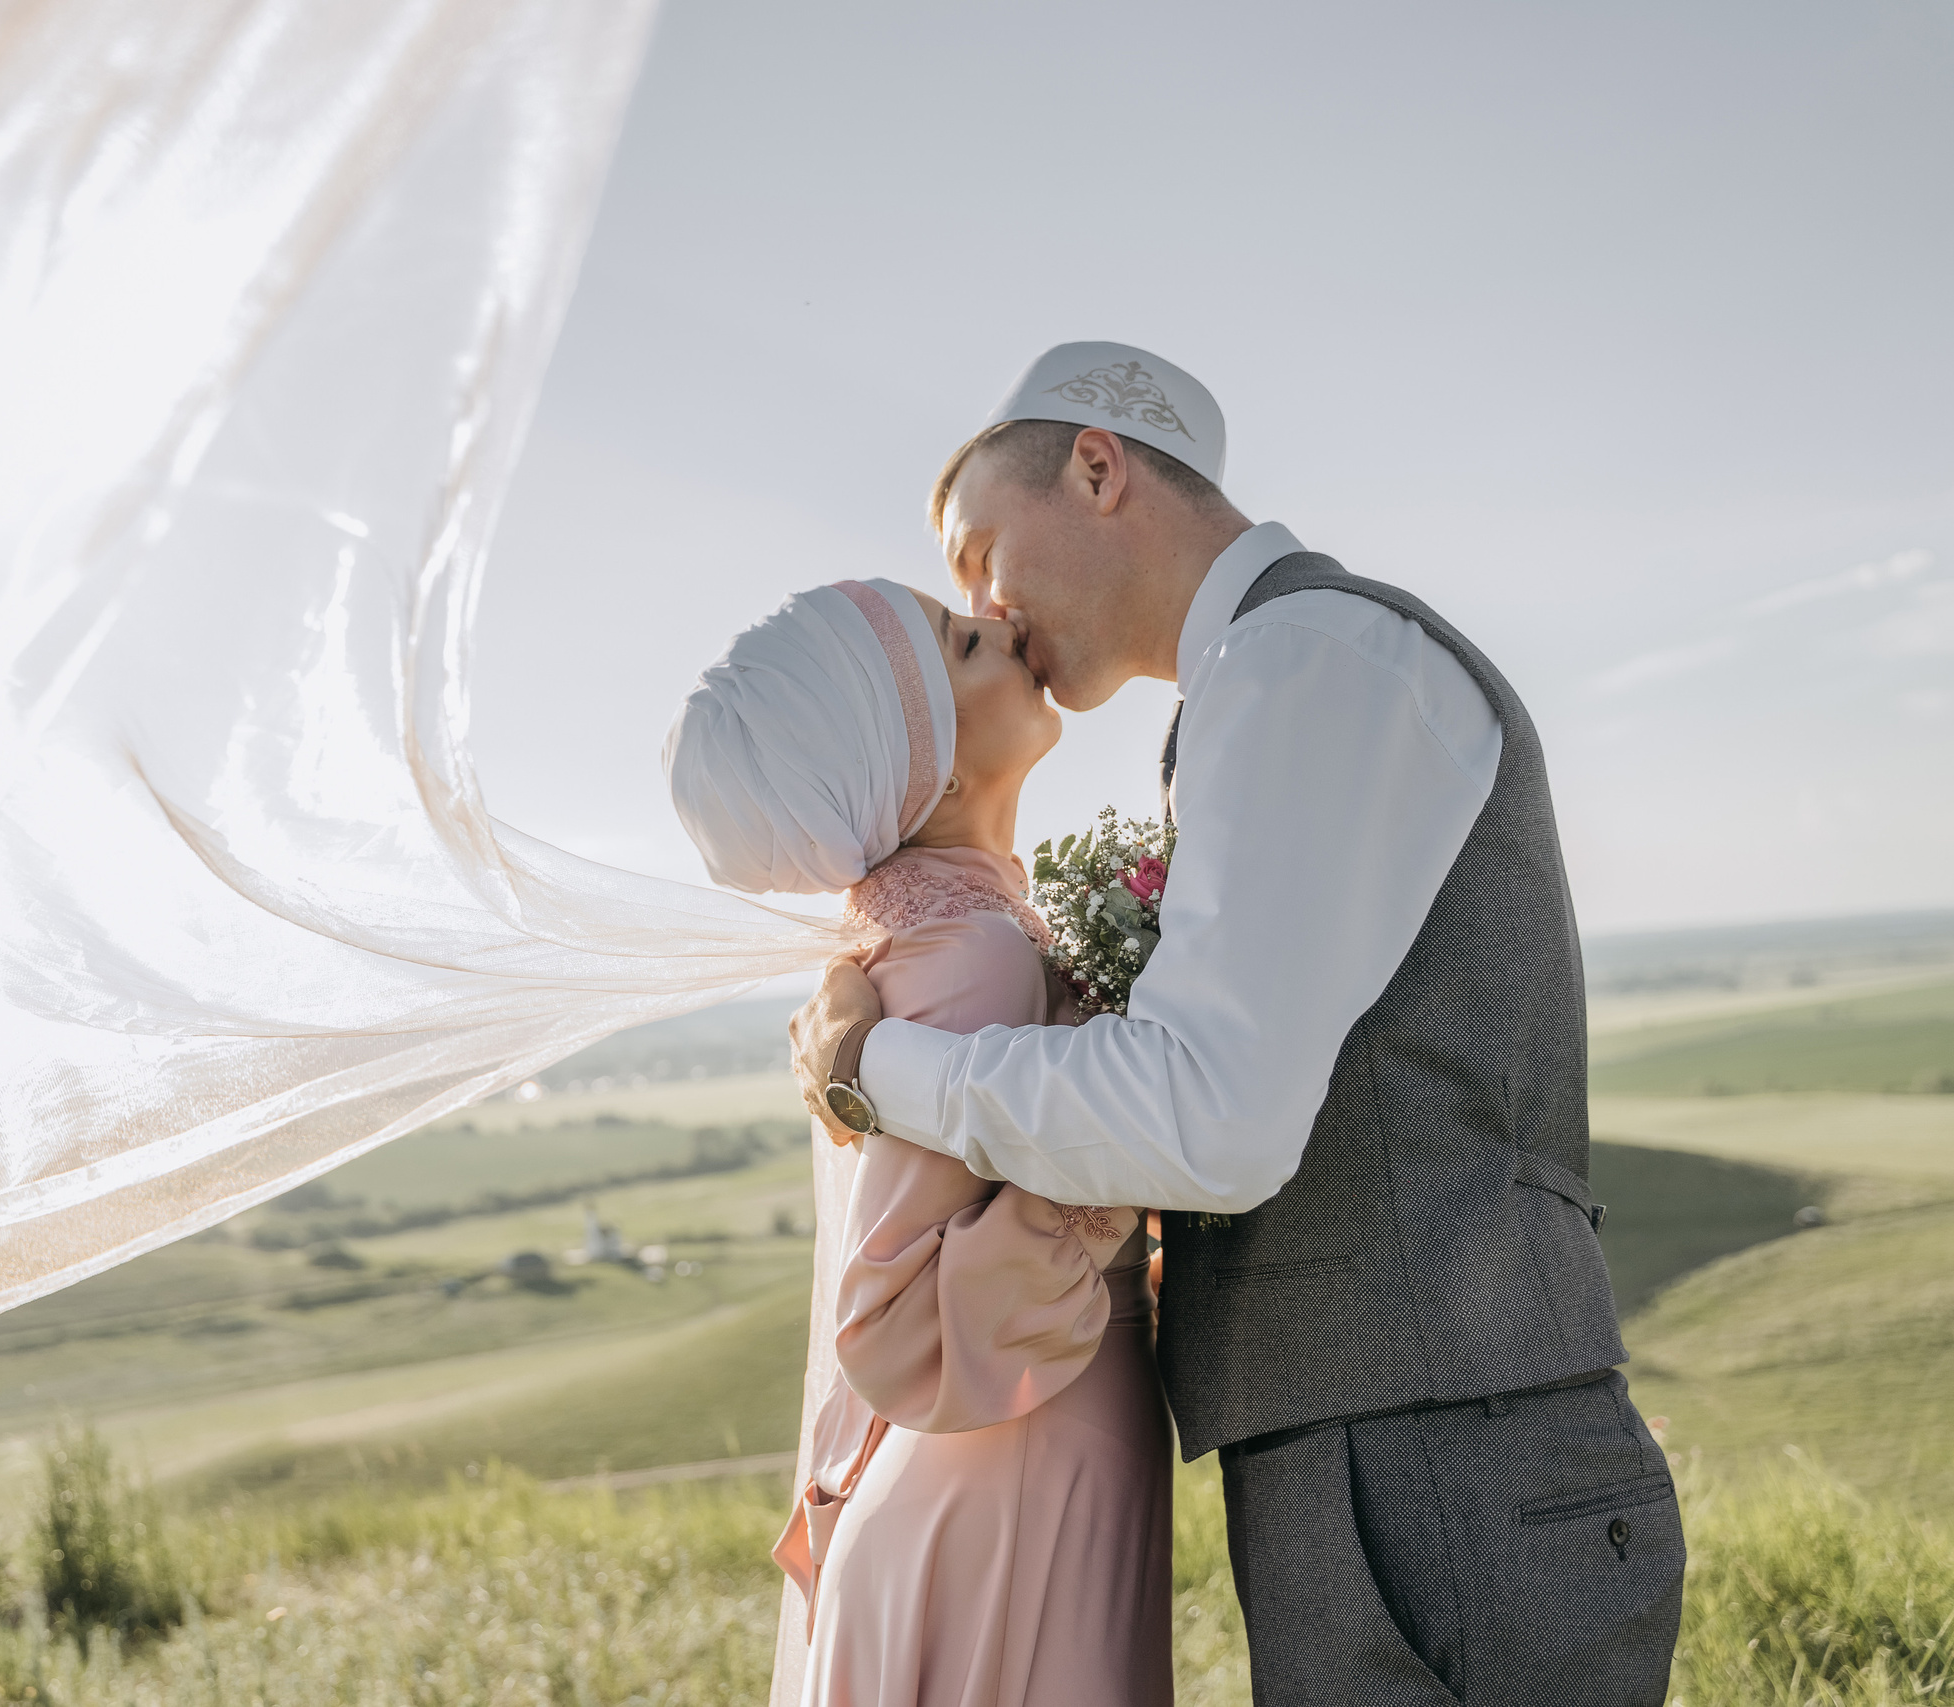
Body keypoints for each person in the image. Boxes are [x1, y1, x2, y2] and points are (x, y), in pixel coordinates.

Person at [785, 344, 1684, 1706]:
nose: (987, 605)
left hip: (1443, 1444)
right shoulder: (1269, 677)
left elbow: (1212, 1115)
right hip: (1390, 1440)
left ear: (1097, 464)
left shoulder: (1307, 659)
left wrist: (873, 1068)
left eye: (981, 552)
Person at [665, 578, 1173, 1706]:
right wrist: (1126, 1175)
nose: (1001, 623)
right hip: (1013, 1465)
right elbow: (895, 1316)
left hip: (1013, 1450)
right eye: (962, 640)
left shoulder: (934, 936)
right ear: (928, 757)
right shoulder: (974, 954)